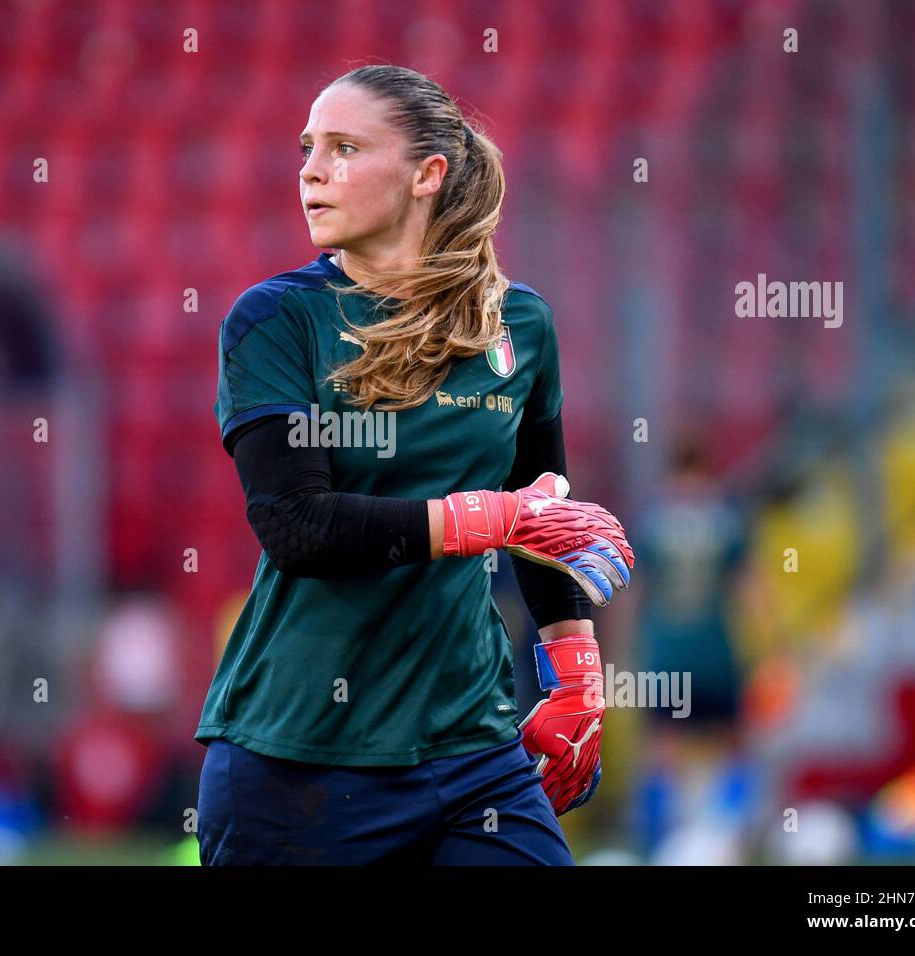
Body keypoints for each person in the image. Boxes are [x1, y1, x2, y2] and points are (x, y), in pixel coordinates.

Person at [195, 64, 634, 866]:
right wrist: (494, 520)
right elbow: (298, 527)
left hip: (471, 746)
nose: (311, 171)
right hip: (301, 756)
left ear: (428, 175)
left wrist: (575, 672)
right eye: (307, 149)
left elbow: (544, 513)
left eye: (345, 148)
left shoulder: (521, 325)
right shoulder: (275, 318)